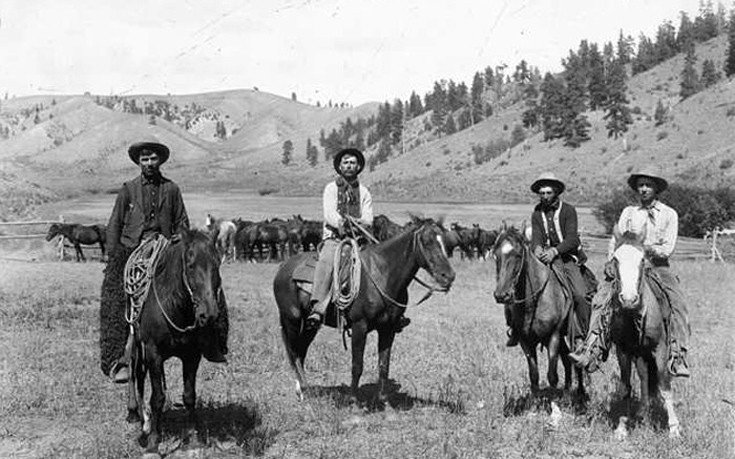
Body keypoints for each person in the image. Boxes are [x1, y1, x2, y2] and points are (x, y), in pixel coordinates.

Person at [100, 141, 227, 384]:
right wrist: (114, 258)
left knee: (206, 280)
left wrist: (181, 241)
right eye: (144, 160)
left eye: (153, 159)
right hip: (134, 249)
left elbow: (182, 222)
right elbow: (114, 224)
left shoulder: (172, 189)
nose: (148, 163)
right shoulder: (128, 189)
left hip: (167, 246)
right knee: (114, 296)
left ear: (160, 161)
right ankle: (120, 358)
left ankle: (212, 342)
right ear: (139, 162)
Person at [569, 169, 691, 377]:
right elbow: (614, 240)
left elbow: (668, 247)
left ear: (656, 189)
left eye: (648, 185)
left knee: (677, 302)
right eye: (641, 185)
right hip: (627, 266)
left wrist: (646, 249)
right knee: (601, 298)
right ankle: (592, 348)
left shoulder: (669, 214)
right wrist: (612, 260)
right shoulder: (628, 212)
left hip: (657, 265)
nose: (643, 189)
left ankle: (677, 354)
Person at [504, 172, 592, 347]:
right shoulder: (537, 212)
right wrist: (536, 249)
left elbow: (572, 239)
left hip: (566, 258)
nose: (544, 197)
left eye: (548, 193)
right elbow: (536, 237)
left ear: (556, 192)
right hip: (543, 258)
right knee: (516, 286)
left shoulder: (568, 210)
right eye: (542, 193)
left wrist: (555, 251)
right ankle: (516, 328)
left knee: (580, 296)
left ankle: (582, 335)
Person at [305, 148, 380, 330]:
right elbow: (329, 213)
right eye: (346, 162)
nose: (349, 166)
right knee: (327, 261)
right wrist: (342, 222)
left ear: (358, 166)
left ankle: (388, 310)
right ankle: (318, 308)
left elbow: (369, 218)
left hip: (358, 240)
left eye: (353, 163)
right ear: (339, 166)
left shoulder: (364, 192)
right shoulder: (331, 189)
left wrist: (360, 223)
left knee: (380, 263)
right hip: (335, 239)